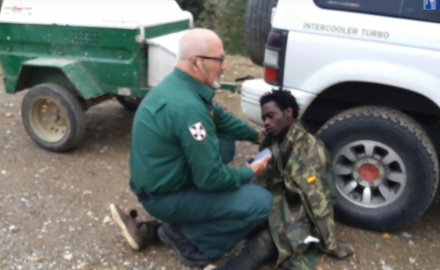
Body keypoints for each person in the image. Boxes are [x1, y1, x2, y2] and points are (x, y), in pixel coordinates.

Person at [109, 28, 272, 268]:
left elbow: (220, 119)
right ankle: (190, 242)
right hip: (163, 197)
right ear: (195, 62)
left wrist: (259, 137)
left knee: (224, 142)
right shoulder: (188, 108)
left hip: (163, 181)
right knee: (260, 202)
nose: (224, 66)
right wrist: (250, 172)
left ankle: (174, 225)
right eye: (219, 59)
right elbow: (211, 179)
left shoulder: (183, 87)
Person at [213, 89, 354, 269]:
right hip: (276, 199)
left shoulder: (307, 152)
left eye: (271, 116)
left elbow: (318, 203)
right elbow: (263, 165)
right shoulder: (277, 138)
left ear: (288, 112)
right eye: (264, 118)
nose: (267, 123)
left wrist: (329, 243)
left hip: (298, 210)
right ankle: (173, 235)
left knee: (262, 245)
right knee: (234, 218)